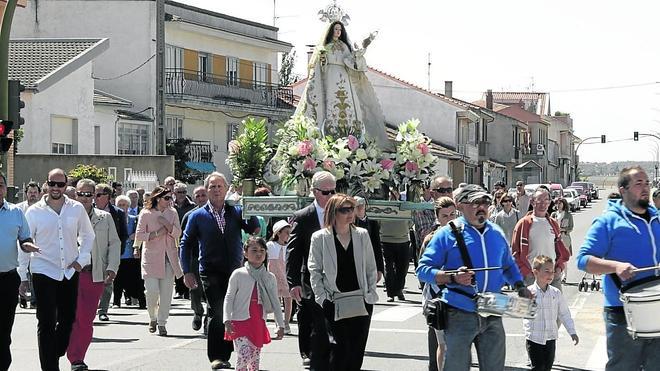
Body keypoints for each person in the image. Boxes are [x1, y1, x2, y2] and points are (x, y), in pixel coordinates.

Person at [417, 184, 530, 371]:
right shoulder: (446, 234)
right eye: (475, 203)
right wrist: (452, 278)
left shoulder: (496, 233)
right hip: (459, 311)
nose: (482, 207)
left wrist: (520, 286)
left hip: (493, 309)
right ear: (461, 206)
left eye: (485, 202)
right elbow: (423, 269)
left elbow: (508, 265)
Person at [577, 166, 660, 370]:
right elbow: (583, 260)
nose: (645, 188)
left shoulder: (657, 219)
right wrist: (615, 266)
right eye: (638, 183)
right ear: (623, 190)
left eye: (647, 183)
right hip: (622, 311)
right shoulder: (608, 221)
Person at [180, 172, 259, 370]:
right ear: (206, 190)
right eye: (212, 187)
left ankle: (230, 351)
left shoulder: (236, 211)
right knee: (217, 310)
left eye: (219, 186)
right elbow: (186, 243)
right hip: (209, 270)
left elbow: (254, 229)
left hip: (234, 270)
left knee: (231, 311)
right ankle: (217, 356)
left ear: (226, 189)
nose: (216, 190)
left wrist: (250, 205)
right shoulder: (197, 216)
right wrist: (186, 271)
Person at [24, 168, 95, 371]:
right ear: (46, 184)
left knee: (68, 319)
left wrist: (82, 259)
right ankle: (49, 366)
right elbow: (26, 241)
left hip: (69, 270)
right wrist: (22, 275)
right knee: (46, 321)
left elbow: (88, 236)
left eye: (60, 184)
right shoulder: (34, 211)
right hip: (43, 269)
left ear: (66, 185)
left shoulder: (76, 209)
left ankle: (53, 352)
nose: (56, 188)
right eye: (52, 184)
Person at [308, 194, 378, 370]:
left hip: (361, 299)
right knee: (339, 349)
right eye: (344, 210)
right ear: (333, 212)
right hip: (334, 300)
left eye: (352, 209)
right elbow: (314, 270)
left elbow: (371, 267)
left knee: (356, 350)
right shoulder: (320, 237)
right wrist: (322, 298)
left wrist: (369, 292)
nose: (350, 213)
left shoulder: (362, 234)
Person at [66, 179, 121, 371]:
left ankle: (77, 357)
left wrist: (112, 267)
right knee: (70, 317)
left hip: (94, 275)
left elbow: (114, 243)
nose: (84, 198)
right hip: (70, 275)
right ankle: (70, 353)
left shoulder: (104, 217)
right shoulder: (66, 215)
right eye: (81, 194)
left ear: (95, 197)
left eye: (89, 194)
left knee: (86, 319)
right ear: (75, 195)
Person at [286, 171, 336, 368]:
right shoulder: (303, 217)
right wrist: (293, 283)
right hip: (310, 277)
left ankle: (327, 353)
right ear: (315, 192)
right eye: (326, 192)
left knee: (329, 317)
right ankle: (308, 352)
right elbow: (293, 251)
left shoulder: (341, 213)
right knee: (310, 317)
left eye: (334, 191)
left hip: (336, 277)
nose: (331, 196)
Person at [223, 237, 285, 371]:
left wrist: (280, 324)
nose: (259, 254)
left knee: (254, 360)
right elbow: (229, 297)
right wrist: (227, 319)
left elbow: (275, 302)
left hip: (258, 322)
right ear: (245, 253)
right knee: (244, 355)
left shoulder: (269, 277)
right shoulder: (238, 274)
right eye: (254, 250)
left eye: (262, 251)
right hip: (239, 322)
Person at [0, 172, 39, 371]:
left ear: (6, 189)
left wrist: (29, 246)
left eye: (1, 185)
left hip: (7, 279)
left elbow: (25, 239)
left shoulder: (16, 212)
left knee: (4, 329)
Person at [134, 185, 183, 336]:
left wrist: (167, 225)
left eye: (171, 198)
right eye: (166, 198)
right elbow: (139, 235)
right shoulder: (146, 213)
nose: (169, 201)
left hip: (169, 257)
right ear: (157, 198)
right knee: (151, 291)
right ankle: (152, 317)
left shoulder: (172, 212)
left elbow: (178, 233)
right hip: (151, 258)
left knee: (167, 293)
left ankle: (162, 322)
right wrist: (156, 233)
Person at [419, 196, 457, 371]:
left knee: (459, 344)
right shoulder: (431, 239)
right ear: (437, 217)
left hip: (460, 295)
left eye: (452, 214)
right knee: (443, 344)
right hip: (437, 296)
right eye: (445, 216)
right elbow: (422, 271)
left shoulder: (464, 235)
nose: (449, 219)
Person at [524, 255, 579, 371]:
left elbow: (564, 313)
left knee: (547, 367)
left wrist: (572, 332)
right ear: (535, 272)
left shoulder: (556, 293)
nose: (551, 274)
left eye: (552, 271)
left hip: (550, 338)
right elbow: (521, 312)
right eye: (547, 271)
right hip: (534, 338)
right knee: (538, 367)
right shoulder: (529, 292)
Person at [511, 187, 570, 289]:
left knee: (556, 304)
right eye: (540, 200)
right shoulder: (523, 224)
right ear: (532, 202)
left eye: (546, 200)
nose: (543, 204)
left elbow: (560, 250)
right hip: (532, 276)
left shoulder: (553, 224)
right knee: (531, 305)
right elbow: (515, 253)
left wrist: (559, 268)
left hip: (552, 276)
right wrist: (526, 272)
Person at [96, 183, 128, 320]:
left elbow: (123, 234)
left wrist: (118, 253)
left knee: (108, 280)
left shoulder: (118, 213)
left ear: (107, 196)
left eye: (98, 194)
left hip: (110, 250)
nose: (94, 197)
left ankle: (103, 310)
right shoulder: (87, 210)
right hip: (94, 249)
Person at [181, 185, 209, 333]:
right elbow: (183, 241)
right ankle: (198, 313)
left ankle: (208, 319)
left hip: (210, 258)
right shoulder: (189, 216)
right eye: (197, 196)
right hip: (194, 258)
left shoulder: (215, 213)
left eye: (203, 195)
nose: (201, 198)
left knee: (210, 290)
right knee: (195, 290)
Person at [114, 195, 146, 309]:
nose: (123, 208)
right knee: (118, 280)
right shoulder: (114, 219)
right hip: (119, 254)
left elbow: (141, 233)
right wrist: (128, 237)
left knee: (137, 279)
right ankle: (116, 302)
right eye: (120, 205)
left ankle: (142, 302)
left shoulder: (135, 219)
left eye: (125, 205)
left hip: (133, 255)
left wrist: (136, 237)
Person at [16, 181, 42, 309]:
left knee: (35, 270)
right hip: (21, 243)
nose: (32, 195)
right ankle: (22, 296)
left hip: (36, 243)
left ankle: (34, 298)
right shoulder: (19, 208)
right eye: (30, 192)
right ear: (26, 194)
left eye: (35, 192)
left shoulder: (42, 209)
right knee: (21, 269)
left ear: (39, 194)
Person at [266, 220, 293, 334]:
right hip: (274, 276)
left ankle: (286, 322)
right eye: (286, 232)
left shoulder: (290, 246)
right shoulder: (270, 245)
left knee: (288, 299)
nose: (288, 235)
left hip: (286, 275)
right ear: (278, 233)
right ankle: (278, 323)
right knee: (275, 300)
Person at [353, 196, 384, 283]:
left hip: (369, 260)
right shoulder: (349, 222)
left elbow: (377, 245)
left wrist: (380, 268)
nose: (360, 208)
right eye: (357, 206)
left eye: (361, 205)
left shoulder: (372, 223)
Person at [173, 182, 195, 300]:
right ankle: (179, 289)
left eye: (184, 192)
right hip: (174, 238)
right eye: (179, 192)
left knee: (187, 263)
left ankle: (188, 290)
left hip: (187, 238)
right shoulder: (171, 207)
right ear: (174, 193)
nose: (182, 195)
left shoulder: (192, 206)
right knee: (177, 264)